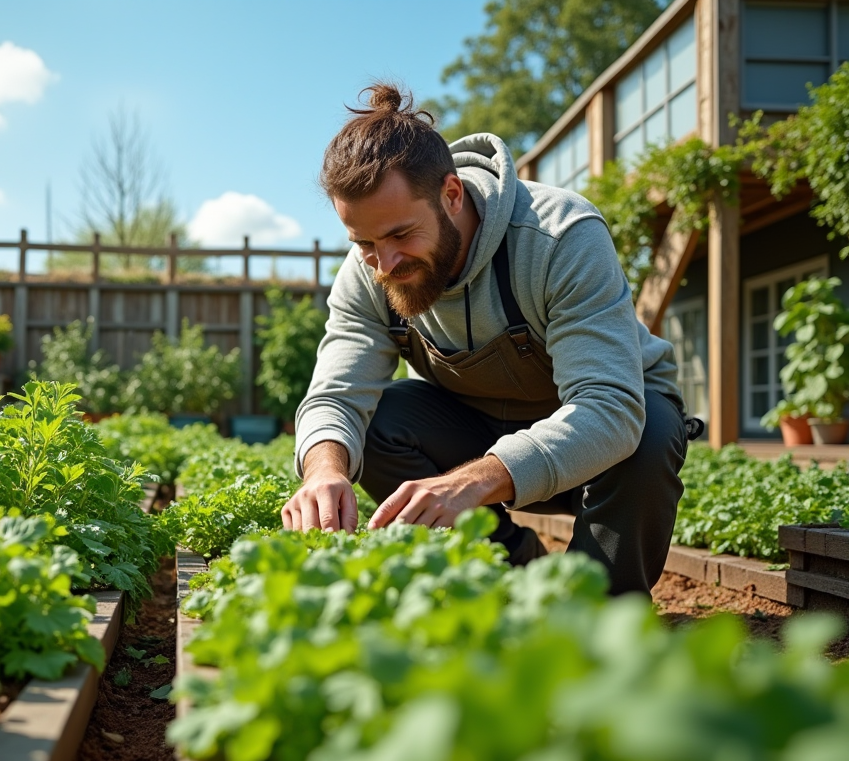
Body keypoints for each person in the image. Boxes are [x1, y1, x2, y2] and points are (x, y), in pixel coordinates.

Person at [281, 82, 691, 595]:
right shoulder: (368, 270)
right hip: (474, 429)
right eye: (364, 242)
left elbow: (608, 407)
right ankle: (507, 573)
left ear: (451, 194)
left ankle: (596, 610)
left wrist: (473, 480)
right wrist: (323, 469)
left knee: (649, 429)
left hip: (602, 450)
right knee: (375, 423)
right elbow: (336, 393)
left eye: (401, 235)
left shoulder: (560, 236)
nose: (383, 263)